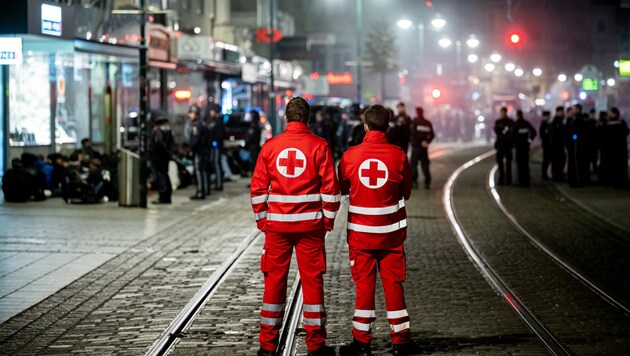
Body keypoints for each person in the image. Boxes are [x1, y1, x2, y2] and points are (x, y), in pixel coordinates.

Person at [250, 97, 340, 356]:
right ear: (308, 118)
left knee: (274, 282)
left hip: (277, 227)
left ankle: (267, 345)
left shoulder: (270, 146)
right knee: (312, 282)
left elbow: (257, 188)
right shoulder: (319, 146)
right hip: (310, 227)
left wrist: (263, 220)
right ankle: (316, 345)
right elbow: (330, 189)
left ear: (287, 118)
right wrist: (328, 219)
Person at [337, 104, 419, 356]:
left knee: (364, 285)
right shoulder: (398, 155)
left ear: (365, 126)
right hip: (391, 235)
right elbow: (405, 192)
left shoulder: (351, 155)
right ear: (387, 127)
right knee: (394, 284)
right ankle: (401, 341)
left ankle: (361, 343)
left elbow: (342, 188)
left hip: (361, 235)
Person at [150, 111, 175, 204]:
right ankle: (167, 195)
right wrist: (169, 153)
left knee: (160, 175)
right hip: (165, 157)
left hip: (158, 156)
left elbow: (159, 143)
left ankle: (163, 195)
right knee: (165, 174)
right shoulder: (168, 129)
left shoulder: (157, 130)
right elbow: (171, 143)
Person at [188, 104, 211, 199]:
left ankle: (201, 192)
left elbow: (195, 140)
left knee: (199, 171)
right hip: (204, 150)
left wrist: (191, 149)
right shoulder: (203, 124)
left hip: (199, 151)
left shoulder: (196, 126)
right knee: (204, 170)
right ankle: (205, 190)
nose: (190, 115)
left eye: (191, 113)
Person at [409, 107, 435, 189]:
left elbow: (412, 134)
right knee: (425, 165)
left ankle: (414, 182)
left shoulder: (414, 122)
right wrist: (426, 142)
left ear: (416, 113)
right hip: (424, 149)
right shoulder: (427, 123)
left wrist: (420, 142)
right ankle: (427, 182)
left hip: (416, 147)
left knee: (413, 165)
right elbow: (432, 134)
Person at [511, 110, 537, 187]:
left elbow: (512, 136)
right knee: (525, 164)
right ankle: (527, 181)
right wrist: (529, 141)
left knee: (519, 164)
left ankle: (521, 181)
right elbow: (534, 132)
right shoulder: (526, 123)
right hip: (526, 147)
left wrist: (514, 143)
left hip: (519, 147)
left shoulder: (516, 125)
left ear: (517, 115)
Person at [606, 107, 629, 189]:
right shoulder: (622, 122)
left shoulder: (609, 124)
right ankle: (622, 182)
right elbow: (626, 132)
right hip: (621, 148)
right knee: (621, 166)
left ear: (614, 113)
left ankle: (615, 182)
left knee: (614, 166)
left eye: (610, 113)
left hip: (612, 149)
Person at [494, 107, 514, 185]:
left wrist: (503, 131)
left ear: (506, 113)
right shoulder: (498, 121)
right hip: (500, 145)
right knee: (500, 163)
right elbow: (497, 131)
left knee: (508, 163)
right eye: (501, 112)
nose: (502, 114)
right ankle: (501, 179)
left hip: (508, 145)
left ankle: (509, 180)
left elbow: (510, 132)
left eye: (503, 112)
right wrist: (504, 131)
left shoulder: (510, 121)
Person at [207, 103, 225, 191]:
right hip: (215, 145)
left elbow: (218, 134)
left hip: (217, 146)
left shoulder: (219, 121)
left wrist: (214, 142)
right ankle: (218, 183)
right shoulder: (216, 120)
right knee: (215, 163)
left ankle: (219, 184)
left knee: (217, 163)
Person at [550, 106, 566, 182]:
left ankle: (558, 175)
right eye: (561, 111)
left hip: (560, 145)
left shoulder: (561, 121)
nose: (562, 113)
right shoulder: (556, 122)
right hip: (556, 146)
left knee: (560, 160)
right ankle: (556, 176)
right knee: (557, 161)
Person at [245, 110, 263, 174]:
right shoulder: (256, 124)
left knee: (253, 161)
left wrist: (247, 142)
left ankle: (253, 175)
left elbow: (251, 136)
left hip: (253, 146)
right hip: (254, 146)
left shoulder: (254, 125)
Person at [539, 111, 552, 180]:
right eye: (548, 116)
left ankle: (545, 174)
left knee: (547, 160)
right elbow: (543, 136)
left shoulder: (547, 124)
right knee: (546, 160)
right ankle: (544, 175)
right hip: (546, 145)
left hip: (547, 145)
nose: (549, 117)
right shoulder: (544, 125)